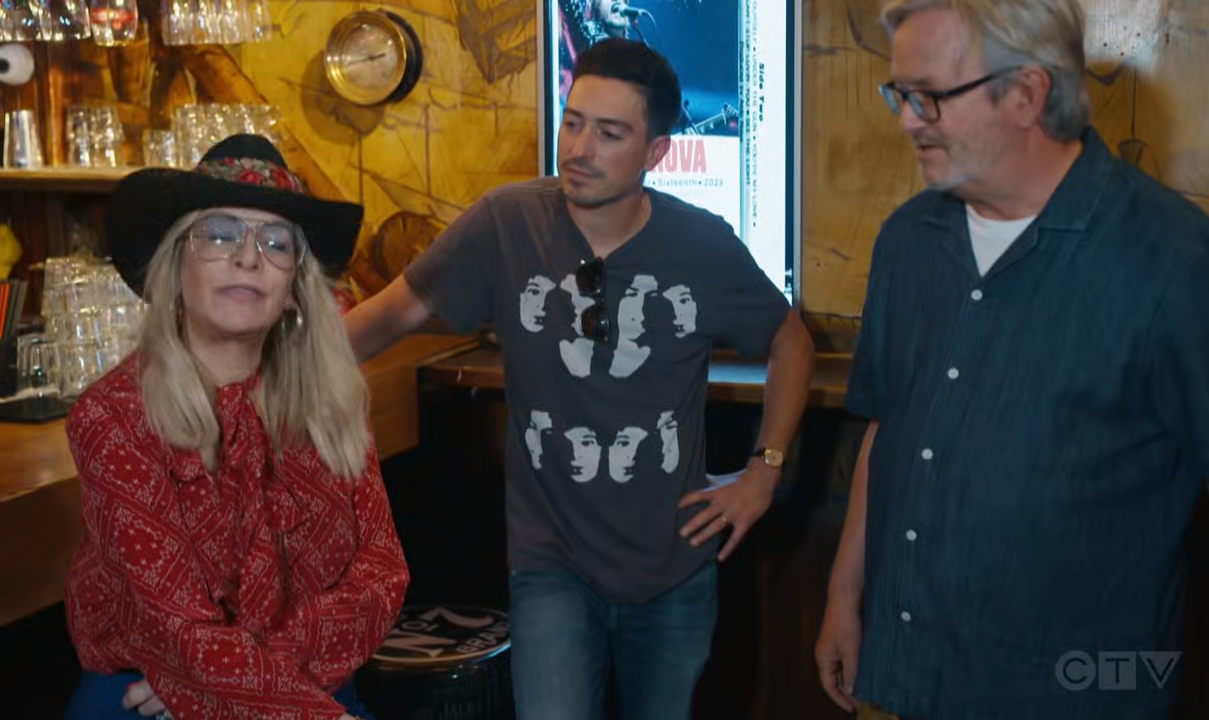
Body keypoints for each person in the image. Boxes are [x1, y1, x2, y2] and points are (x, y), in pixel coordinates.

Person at [815, 0, 1209, 718]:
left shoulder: (1178, 261)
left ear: (1027, 94)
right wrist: (844, 596)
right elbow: (890, 429)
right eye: (899, 94)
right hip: (912, 674)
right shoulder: (907, 242)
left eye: (929, 96)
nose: (906, 120)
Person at [345, 37, 814, 719]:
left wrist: (763, 471)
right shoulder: (507, 221)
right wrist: (263, 376)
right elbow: (387, 317)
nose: (580, 148)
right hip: (550, 565)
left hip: (674, 567)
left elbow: (791, 342)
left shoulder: (701, 242)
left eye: (610, 133)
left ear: (656, 152)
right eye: (574, 123)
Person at [62, 134, 410, 719]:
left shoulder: (334, 398)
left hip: (298, 688)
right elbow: (181, 633)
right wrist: (205, 680)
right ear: (176, 265)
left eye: (275, 242)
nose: (249, 257)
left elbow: (382, 575)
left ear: (295, 287)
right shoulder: (113, 416)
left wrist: (229, 681)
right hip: (147, 706)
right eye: (220, 234)